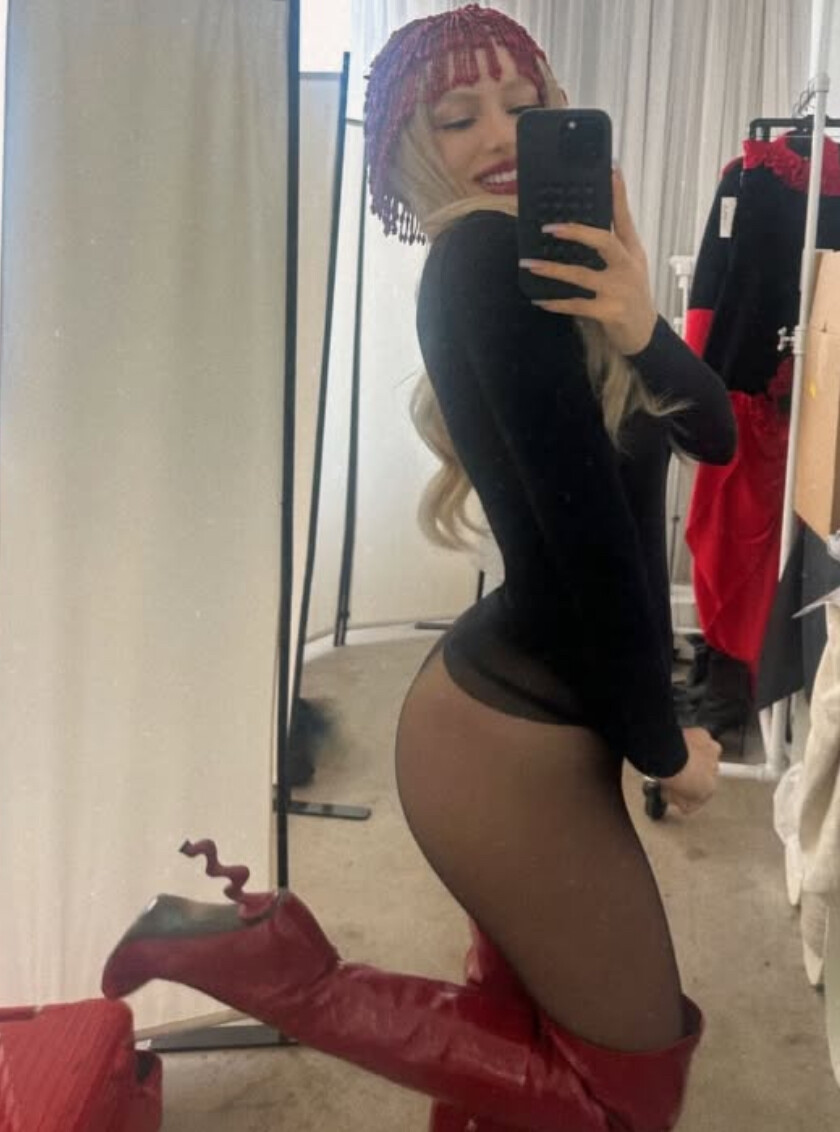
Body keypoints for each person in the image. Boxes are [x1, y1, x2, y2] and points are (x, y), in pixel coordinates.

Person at [101, 7, 736, 1131]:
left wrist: (643, 324)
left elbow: (714, 439)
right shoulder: (484, 261)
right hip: (512, 737)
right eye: (457, 116)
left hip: (536, 708)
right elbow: (586, 545)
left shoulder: (557, 269)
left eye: (522, 108)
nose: (497, 135)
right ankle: (275, 970)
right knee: (621, 1091)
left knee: (522, 1021)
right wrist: (663, 742)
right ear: (409, 146)